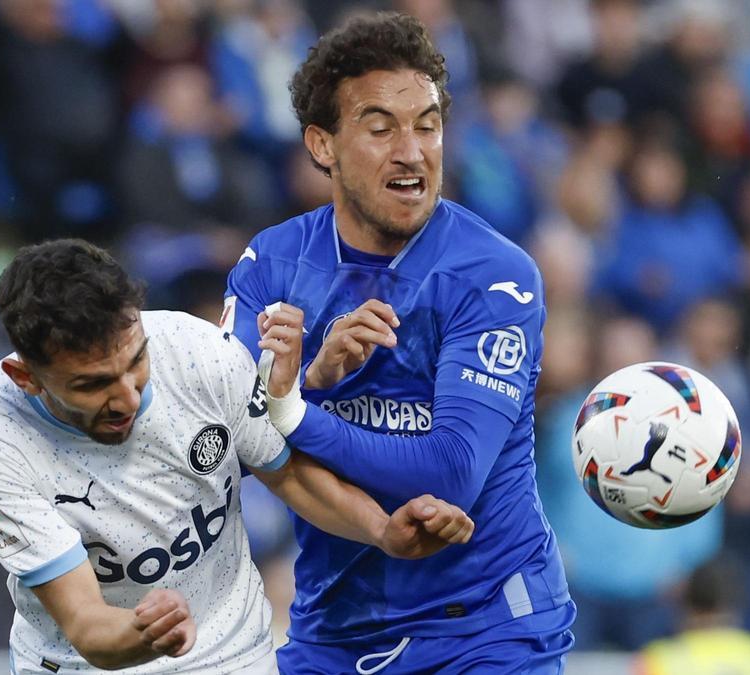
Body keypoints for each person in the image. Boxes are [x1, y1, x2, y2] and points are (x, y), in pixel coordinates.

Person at [224, 12, 574, 673]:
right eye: (381, 128)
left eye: (429, 125)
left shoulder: (492, 275)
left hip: (486, 630)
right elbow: (222, 440)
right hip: (336, 630)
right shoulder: (270, 267)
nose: (413, 151)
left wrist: (292, 411)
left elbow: (450, 473)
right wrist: (315, 381)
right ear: (322, 145)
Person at [0, 239, 474, 674]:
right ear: (27, 378)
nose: (128, 395)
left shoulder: (200, 354)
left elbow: (288, 474)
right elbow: (87, 627)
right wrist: (144, 632)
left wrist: (383, 531)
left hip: (234, 654)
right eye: (93, 384)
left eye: (136, 361)